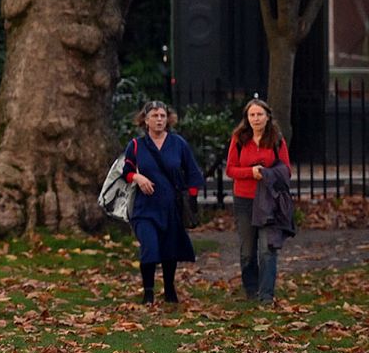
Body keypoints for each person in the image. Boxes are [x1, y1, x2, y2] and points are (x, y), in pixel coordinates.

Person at [123, 101, 205, 304]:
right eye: (154, 116)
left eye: (162, 115)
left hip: (171, 206)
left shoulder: (178, 144)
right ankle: (148, 291)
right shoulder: (136, 145)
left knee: (170, 249)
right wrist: (137, 178)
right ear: (145, 120)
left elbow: (193, 172)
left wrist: (192, 198)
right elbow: (125, 171)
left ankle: (169, 288)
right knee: (149, 247)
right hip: (145, 207)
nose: (159, 119)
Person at [225, 98, 292, 304]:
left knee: (267, 248)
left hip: (268, 200)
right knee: (247, 251)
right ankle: (251, 289)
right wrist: (250, 172)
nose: (256, 119)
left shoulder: (276, 139)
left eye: (259, 114)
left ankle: (266, 295)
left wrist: (267, 173)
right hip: (244, 200)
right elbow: (230, 169)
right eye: (252, 115)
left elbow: (287, 170)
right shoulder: (238, 138)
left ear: (267, 117)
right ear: (247, 118)